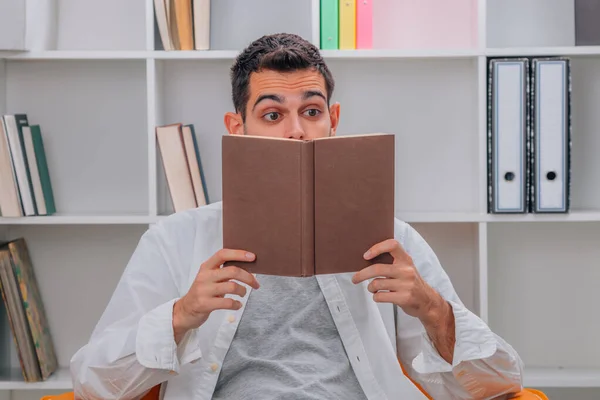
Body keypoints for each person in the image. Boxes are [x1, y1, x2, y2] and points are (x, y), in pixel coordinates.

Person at [70, 33, 524, 400]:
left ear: (333, 120)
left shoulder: (391, 239)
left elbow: (497, 385)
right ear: (237, 128)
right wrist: (181, 314)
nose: (296, 131)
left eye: (311, 111)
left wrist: (432, 309)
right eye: (271, 114)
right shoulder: (176, 239)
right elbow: (92, 383)